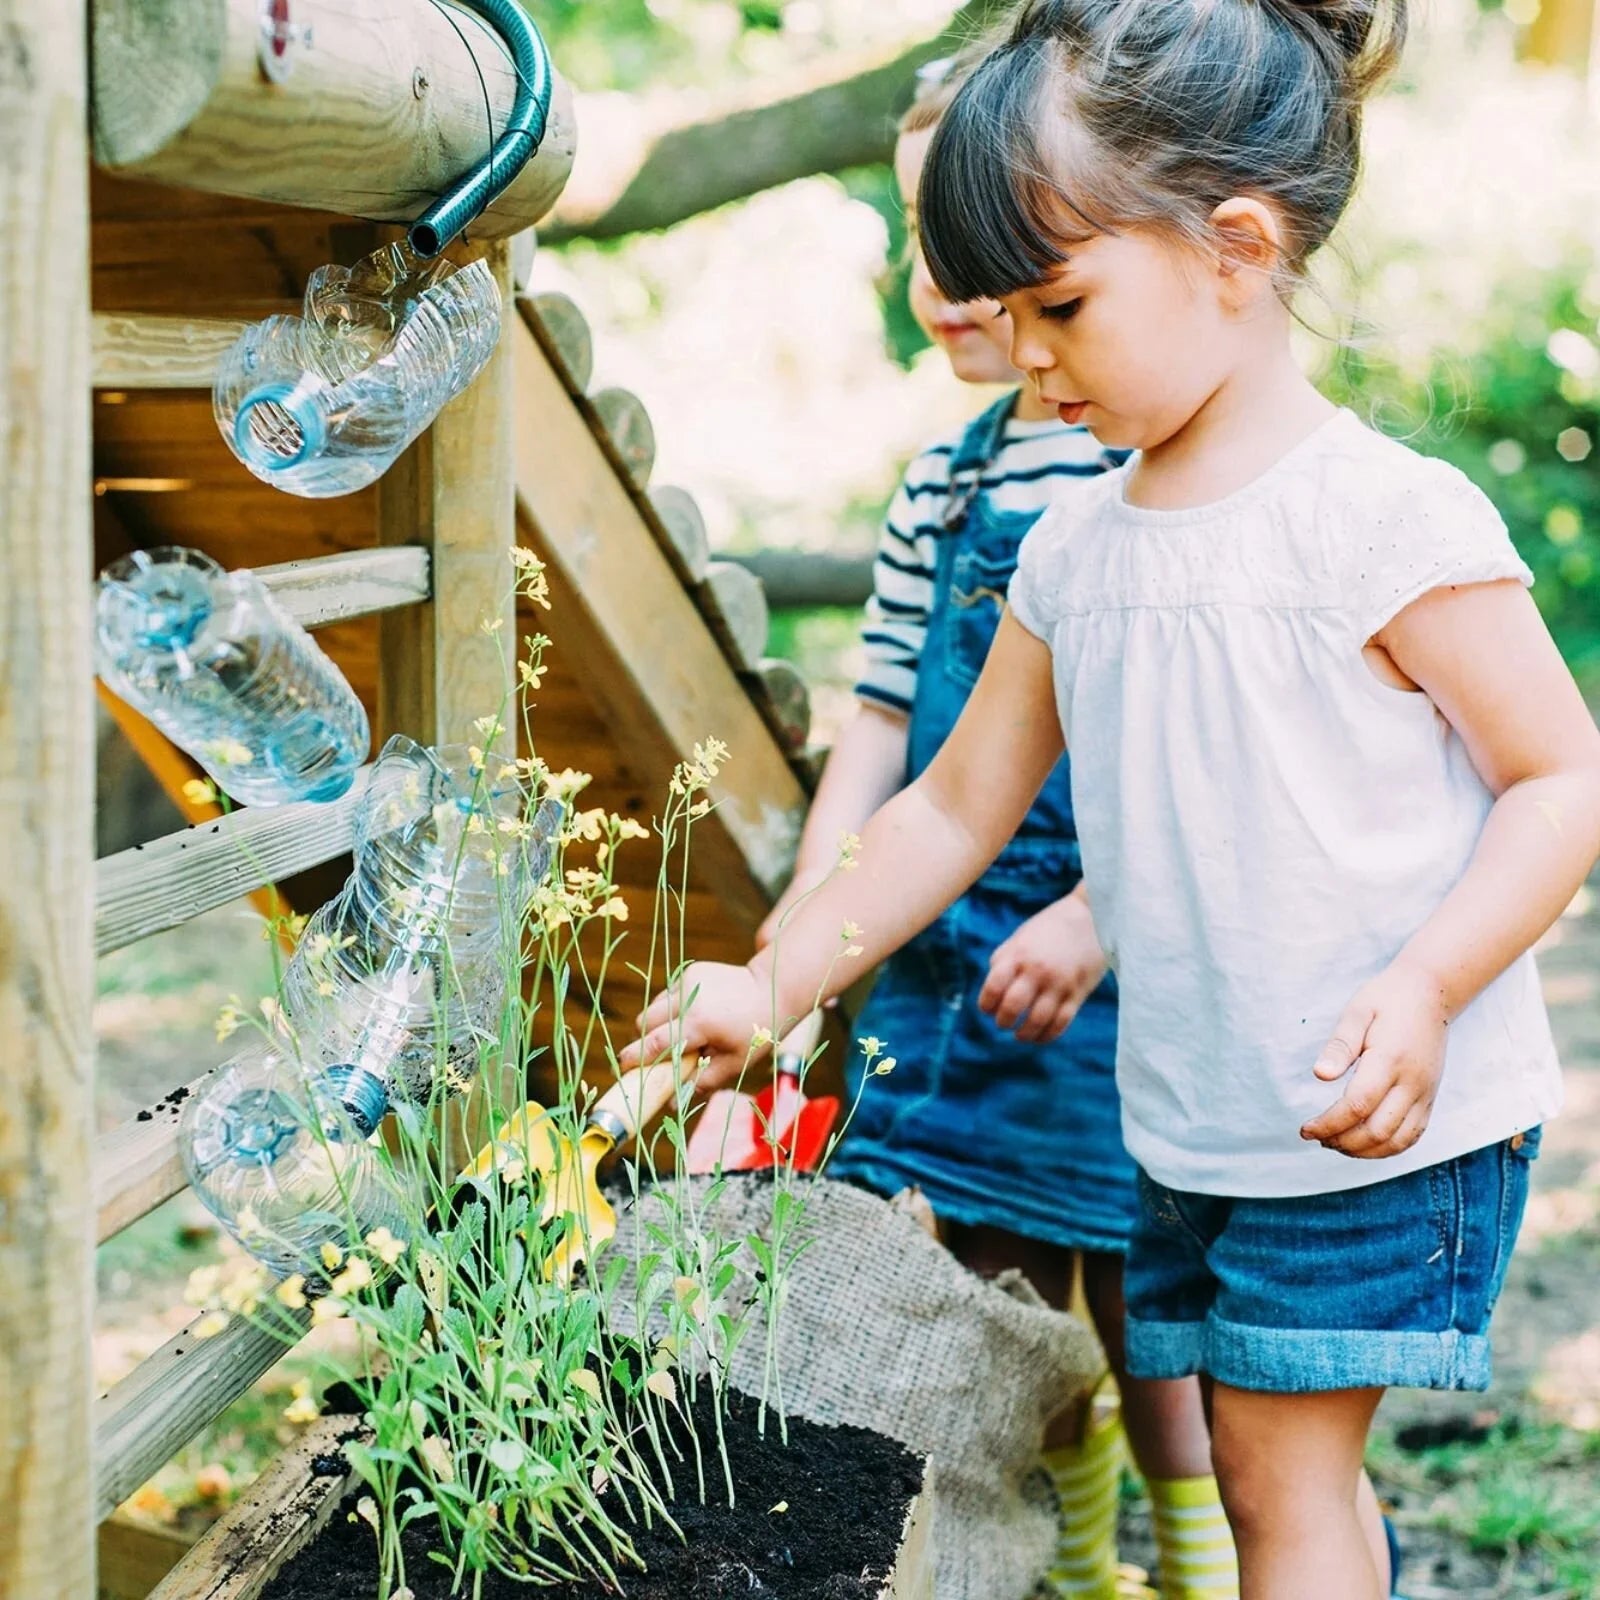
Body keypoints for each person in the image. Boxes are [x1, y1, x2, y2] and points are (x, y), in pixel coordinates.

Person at [626, 2, 1600, 1595]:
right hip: (1200, 1119)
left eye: (1061, 304)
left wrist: (1428, 989)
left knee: (1274, 1485)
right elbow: (949, 808)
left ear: (1235, 246)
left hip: (1371, 1123)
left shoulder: (1381, 519)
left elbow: (1562, 778)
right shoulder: (1072, 546)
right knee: (1290, 1472)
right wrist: (773, 977)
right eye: (1002, 312)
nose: (1023, 356)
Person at [754, 48, 1232, 1600]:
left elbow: (1205, 743)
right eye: (918, 237)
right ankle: (1071, 1550)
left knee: (1146, 1298)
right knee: (987, 1284)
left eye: (983, 247)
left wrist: (1102, 910)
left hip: (1131, 953)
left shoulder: (1151, 449)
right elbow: (889, 719)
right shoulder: (937, 487)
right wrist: (820, 903)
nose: (947, 282)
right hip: (950, 948)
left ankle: (1202, 1552)